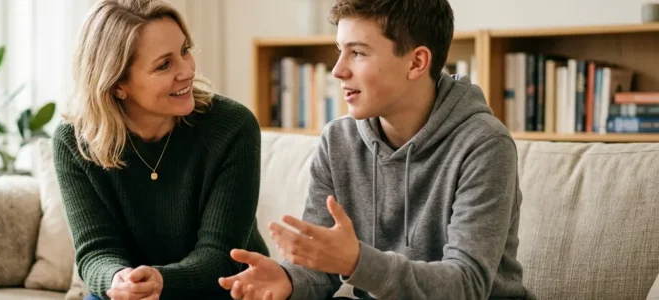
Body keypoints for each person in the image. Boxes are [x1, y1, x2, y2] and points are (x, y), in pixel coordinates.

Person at [218, 0, 536, 299]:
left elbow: (467, 284)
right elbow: (320, 271)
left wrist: (358, 261)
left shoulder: (483, 144)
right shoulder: (338, 140)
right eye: (340, 50)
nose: (337, 70)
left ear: (416, 62)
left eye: (357, 52)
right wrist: (288, 280)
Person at [53, 0, 269, 299]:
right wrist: (118, 281)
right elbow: (96, 250)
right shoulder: (75, 141)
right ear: (117, 84)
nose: (187, 71)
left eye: (185, 51)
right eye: (164, 64)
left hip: (224, 288)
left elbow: (222, 254)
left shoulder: (233, 127)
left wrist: (161, 281)